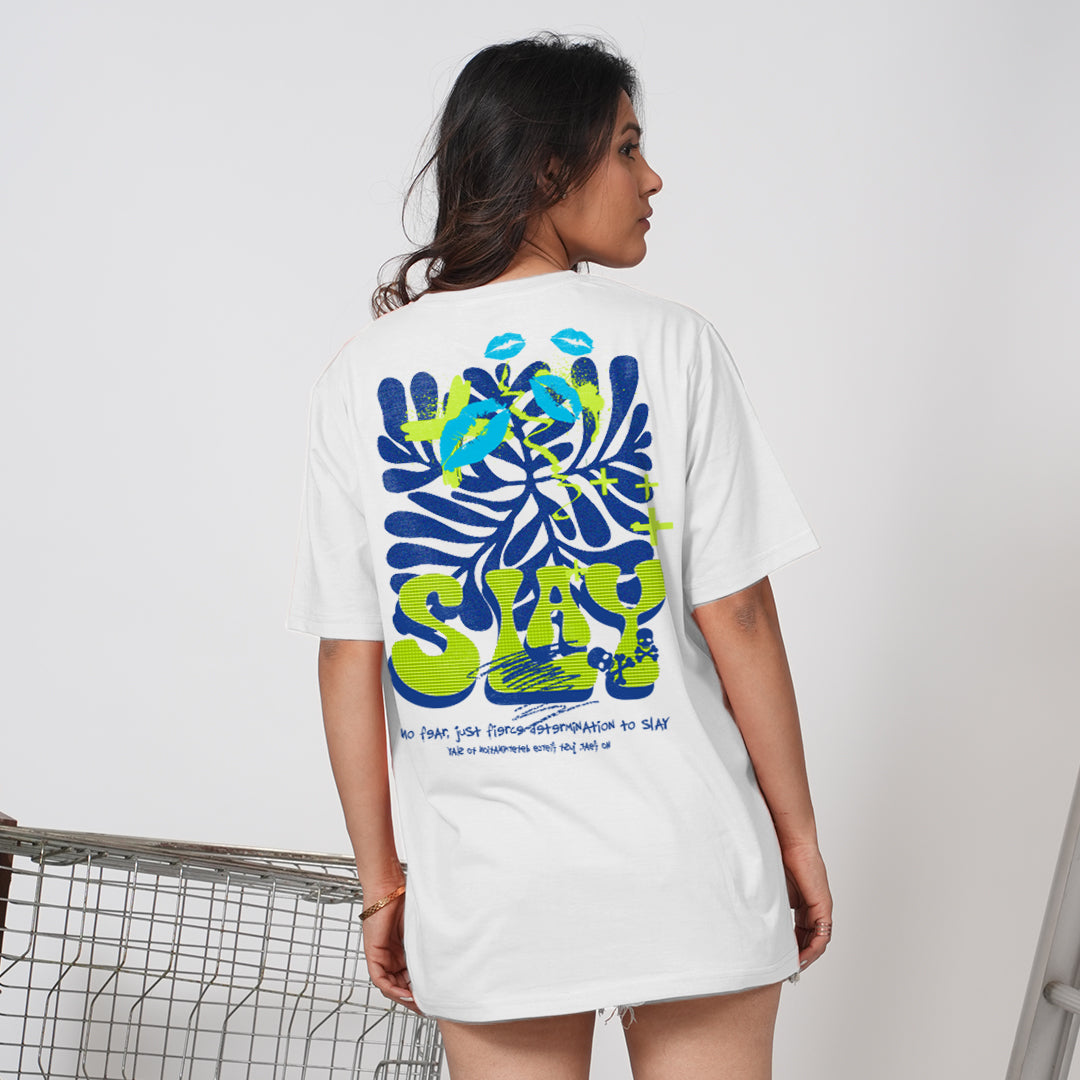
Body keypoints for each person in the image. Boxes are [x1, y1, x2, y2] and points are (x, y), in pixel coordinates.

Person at [286, 30, 832, 1080]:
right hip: (688, 865)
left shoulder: (362, 373)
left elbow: (350, 652)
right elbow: (739, 612)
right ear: (548, 168)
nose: (652, 178)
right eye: (626, 147)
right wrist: (798, 837)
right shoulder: (674, 344)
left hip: (491, 892)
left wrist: (383, 884)